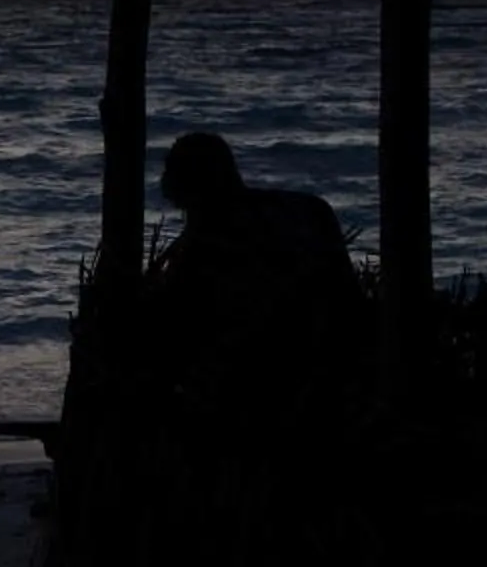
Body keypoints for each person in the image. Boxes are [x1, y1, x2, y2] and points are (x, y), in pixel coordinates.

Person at [146, 130, 360, 384]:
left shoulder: (208, 240)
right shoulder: (309, 207)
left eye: (171, 170)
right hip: (333, 341)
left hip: (270, 358)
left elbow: (178, 318)